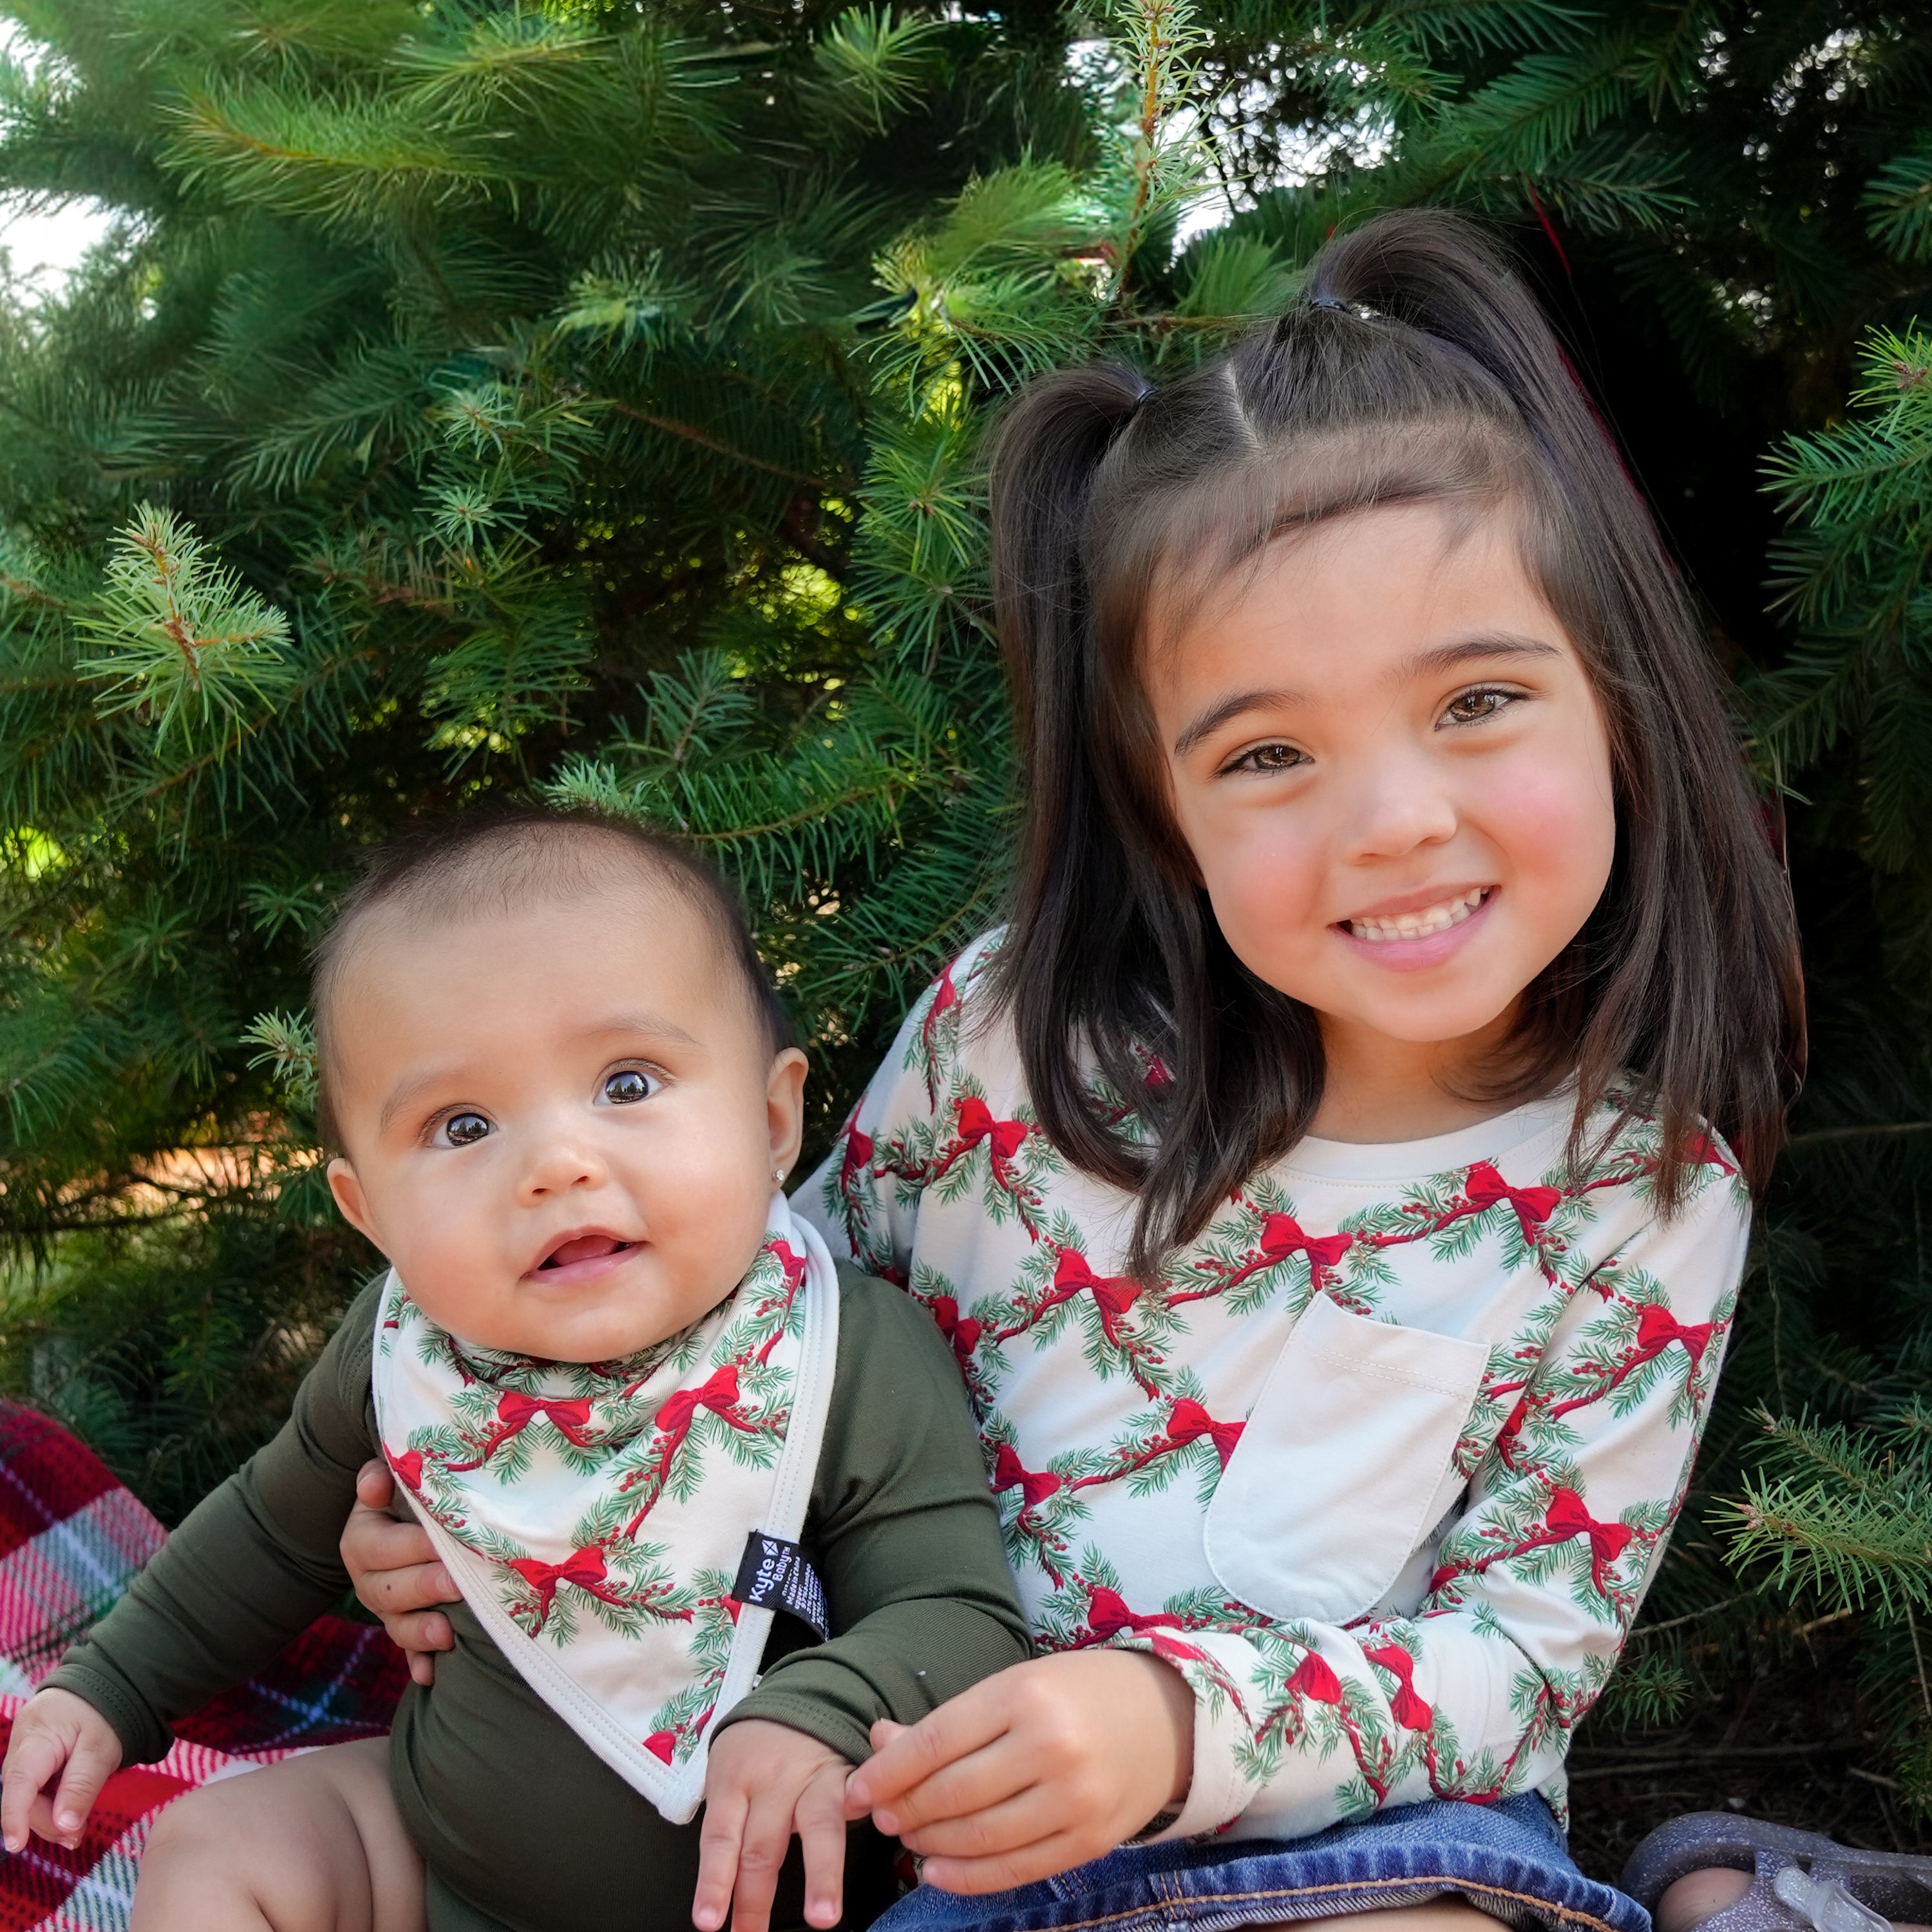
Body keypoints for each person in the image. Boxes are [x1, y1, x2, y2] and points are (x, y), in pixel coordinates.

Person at [341, 209, 1811, 1932]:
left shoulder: (1637, 1194)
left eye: (1478, 702)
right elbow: (748, 1335)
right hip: (912, 1824)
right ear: (1164, 817)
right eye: (1268, 752)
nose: (1399, 820)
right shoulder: (1017, 1043)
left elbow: (1518, 1659)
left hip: (1345, 1839)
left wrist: (1174, 1724)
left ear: (1614, 703)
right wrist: (516, 1503)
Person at [0, 810, 1032, 1932]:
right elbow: (267, 1529)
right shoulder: (407, 1356)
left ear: (774, 1117)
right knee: (216, 1846)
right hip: (436, 1865)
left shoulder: (844, 1352)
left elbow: (959, 1613)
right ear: (370, 1211)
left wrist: (828, 1703)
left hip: (750, 1909)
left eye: (628, 1083)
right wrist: (111, 1688)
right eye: (462, 1125)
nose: (555, 1164)